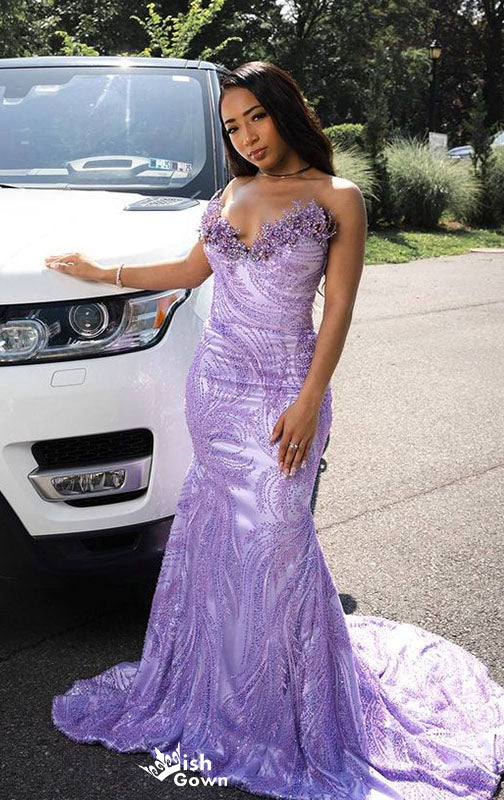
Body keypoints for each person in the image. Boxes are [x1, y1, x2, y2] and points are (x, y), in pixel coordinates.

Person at [47, 61, 504, 800]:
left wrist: (309, 399)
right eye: (232, 126)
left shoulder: (337, 197)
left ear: (285, 110)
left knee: (280, 542)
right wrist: (103, 272)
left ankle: (292, 704)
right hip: (215, 390)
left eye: (255, 117)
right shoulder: (230, 193)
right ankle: (225, 692)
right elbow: (190, 271)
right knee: (222, 538)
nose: (247, 137)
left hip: (286, 391)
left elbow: (340, 306)